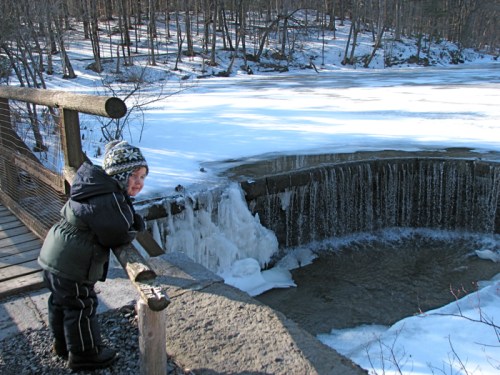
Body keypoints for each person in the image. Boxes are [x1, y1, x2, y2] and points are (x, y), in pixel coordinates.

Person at [38, 140, 148, 371]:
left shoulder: (94, 187)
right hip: (72, 266)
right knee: (81, 307)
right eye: (135, 176)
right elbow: (117, 233)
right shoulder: (108, 199)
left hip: (54, 256)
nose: (139, 183)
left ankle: (62, 345)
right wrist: (135, 225)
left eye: (143, 177)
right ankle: (85, 354)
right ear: (119, 175)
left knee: (60, 302)